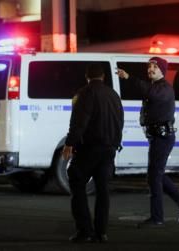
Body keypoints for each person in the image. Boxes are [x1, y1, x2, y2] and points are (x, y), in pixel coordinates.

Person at [116, 57, 179, 227]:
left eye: (154, 67)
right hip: (156, 137)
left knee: (154, 177)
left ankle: (157, 217)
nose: (150, 69)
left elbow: (149, 94)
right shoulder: (155, 87)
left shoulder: (164, 88)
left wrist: (130, 78)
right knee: (156, 175)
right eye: (149, 66)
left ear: (162, 71)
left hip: (163, 138)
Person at [62, 63, 124, 243]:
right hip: (109, 149)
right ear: (103, 77)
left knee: (77, 184)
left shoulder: (85, 93)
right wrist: (114, 144)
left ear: (87, 77)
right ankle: (101, 232)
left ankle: (84, 230)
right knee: (103, 191)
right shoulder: (113, 95)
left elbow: (79, 122)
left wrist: (69, 143)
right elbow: (119, 121)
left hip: (89, 149)